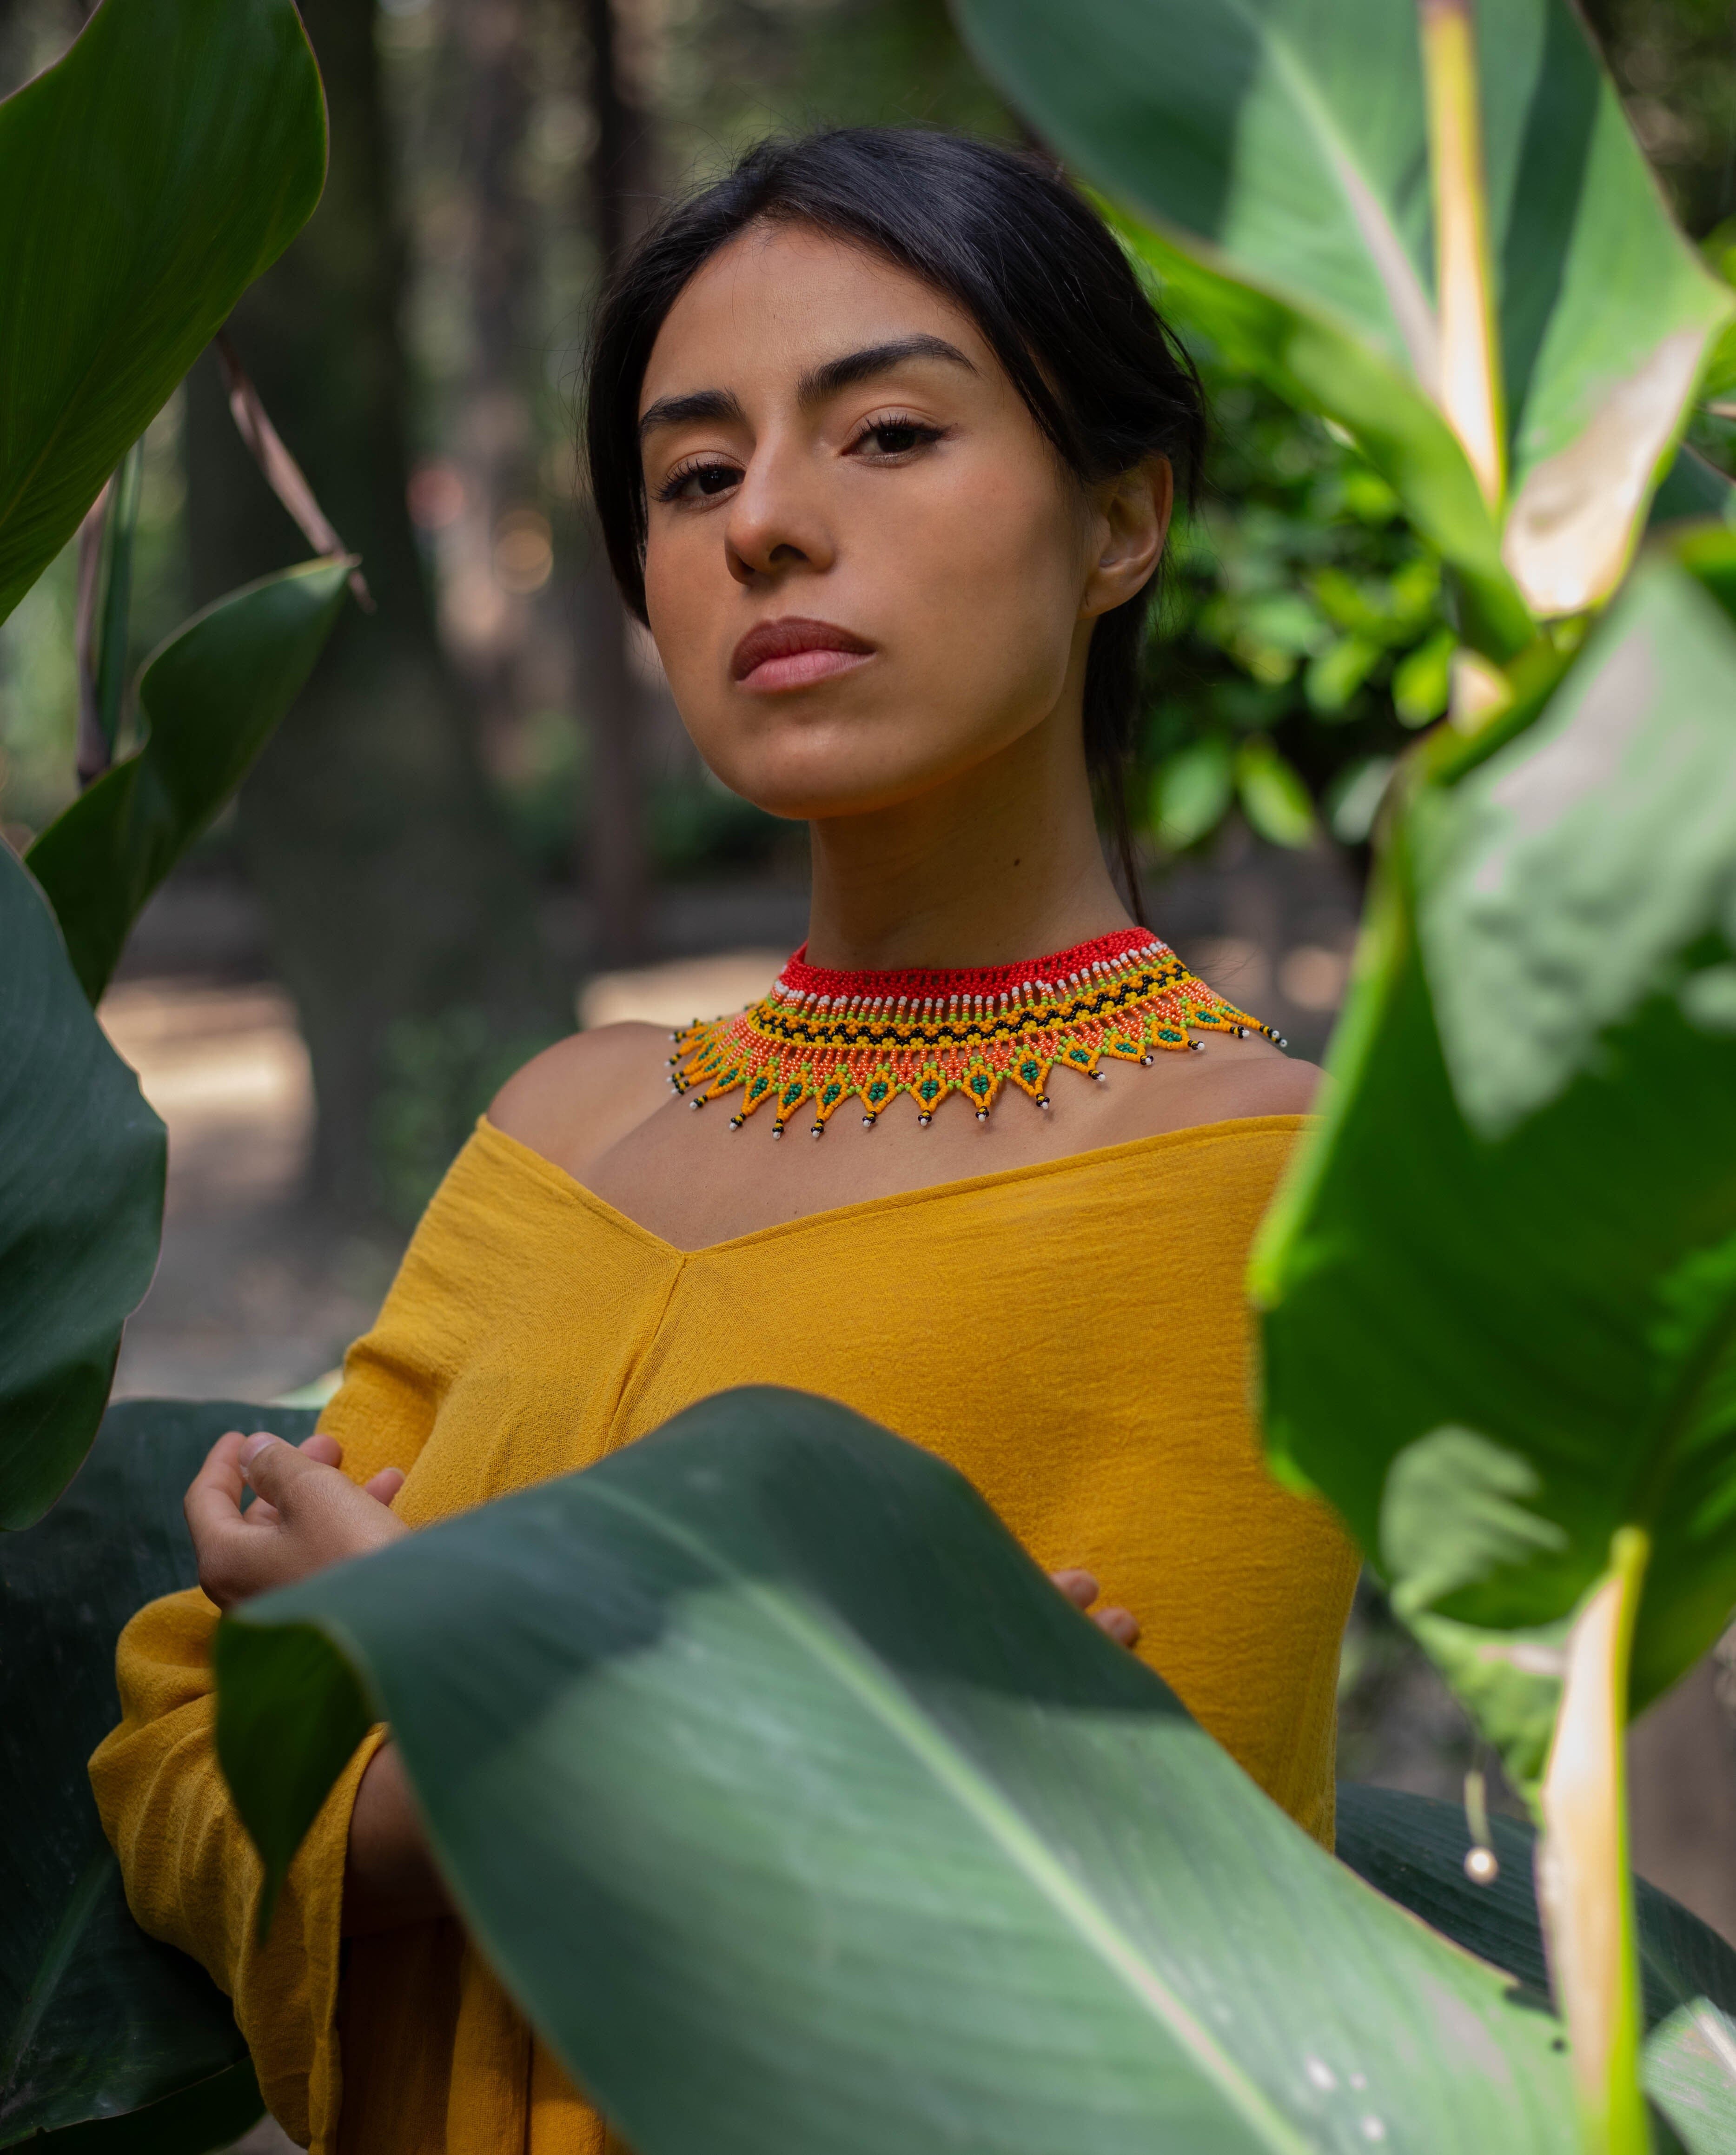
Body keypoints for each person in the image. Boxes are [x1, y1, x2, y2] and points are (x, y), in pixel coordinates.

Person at [91, 127, 1359, 2155]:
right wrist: (739, 1736)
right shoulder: (566, 1123)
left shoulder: (1266, 1195)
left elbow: (1099, 1991)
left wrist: (451, 1646)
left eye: (883, 435)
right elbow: (179, 1765)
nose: (765, 523)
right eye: (693, 476)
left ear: (1121, 518)